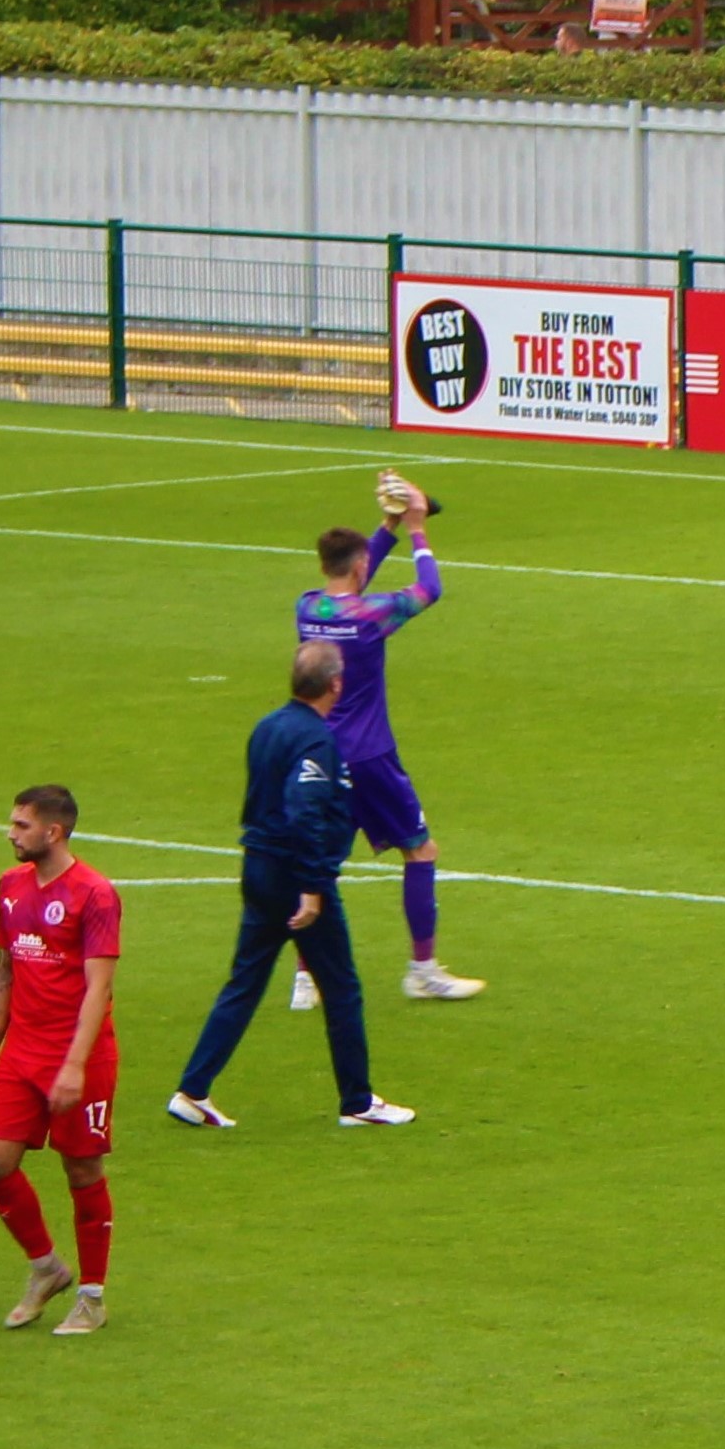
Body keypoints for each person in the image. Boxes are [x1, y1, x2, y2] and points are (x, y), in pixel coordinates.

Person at [170, 647, 414, 1132]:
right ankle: (357, 1101)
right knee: (341, 988)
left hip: (258, 867)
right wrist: (312, 886)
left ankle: (192, 1090)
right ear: (335, 684)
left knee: (244, 983)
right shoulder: (316, 740)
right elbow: (303, 811)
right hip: (292, 875)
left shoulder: (268, 726)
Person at [295, 476, 482, 1005]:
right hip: (371, 756)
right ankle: (422, 970)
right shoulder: (372, 617)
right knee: (420, 850)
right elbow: (429, 590)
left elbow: (351, 586)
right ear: (360, 567)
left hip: (319, 754)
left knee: (319, 866)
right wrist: (417, 530)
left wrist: (387, 526)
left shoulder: (309, 609)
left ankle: (306, 979)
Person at [0, 786, 116, 1334]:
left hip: (79, 1053)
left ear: (53, 832)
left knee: (81, 1168)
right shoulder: (10, 885)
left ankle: (92, 1297)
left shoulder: (95, 894)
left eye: (21, 825)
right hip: (22, 1051)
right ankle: (46, 1267)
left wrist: (75, 1065)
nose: (10, 833)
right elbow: (6, 966)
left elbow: (98, 987)